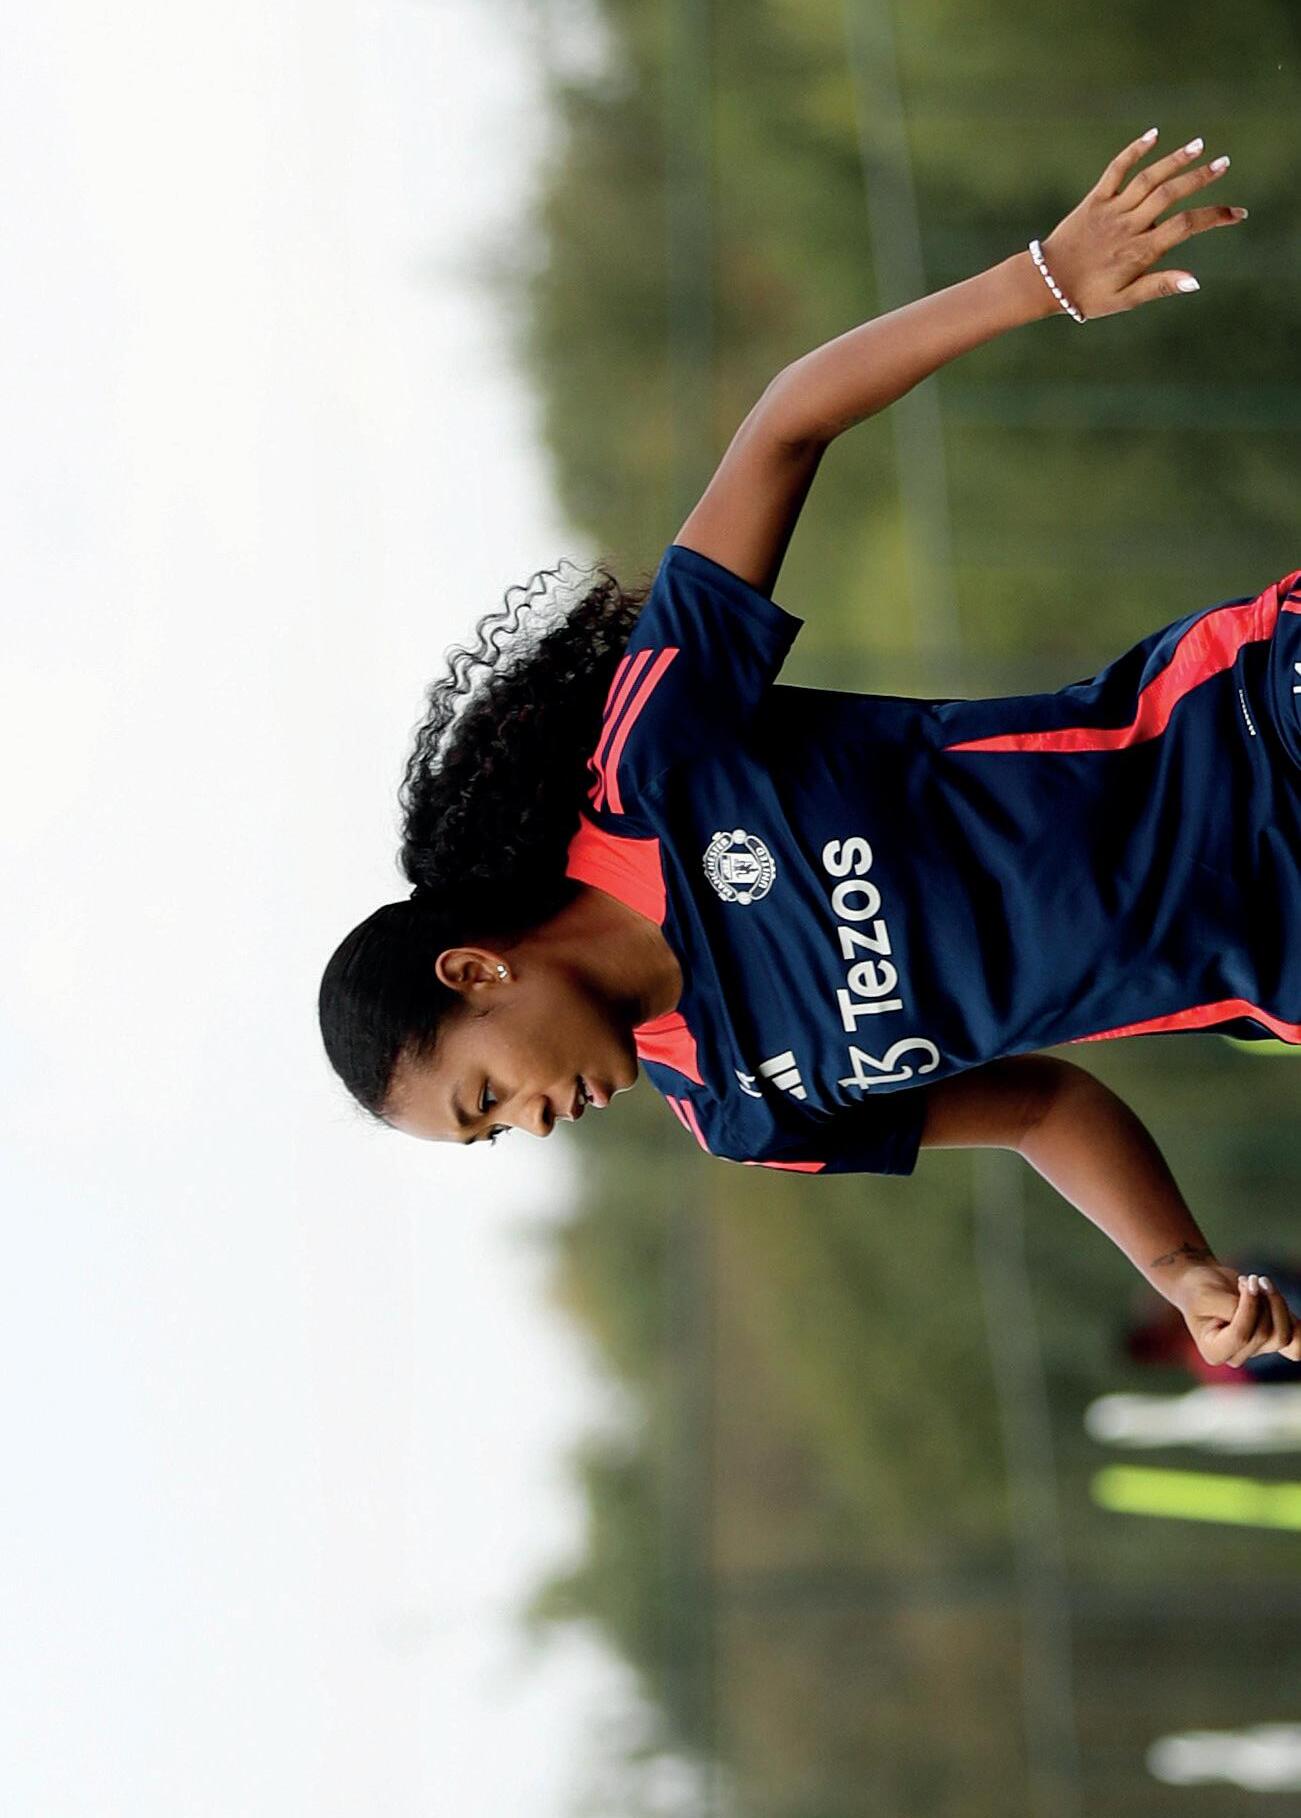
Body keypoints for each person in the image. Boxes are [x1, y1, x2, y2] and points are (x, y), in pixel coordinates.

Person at [320, 127, 1301, 1373]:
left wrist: (1043, 278)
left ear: (474, 971)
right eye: (497, 1133)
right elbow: (1039, 1106)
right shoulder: (745, 1116)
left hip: (1251, 726)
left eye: (487, 1097)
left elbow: (785, 425)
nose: (534, 1121)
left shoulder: (648, 770)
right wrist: (1177, 1269)